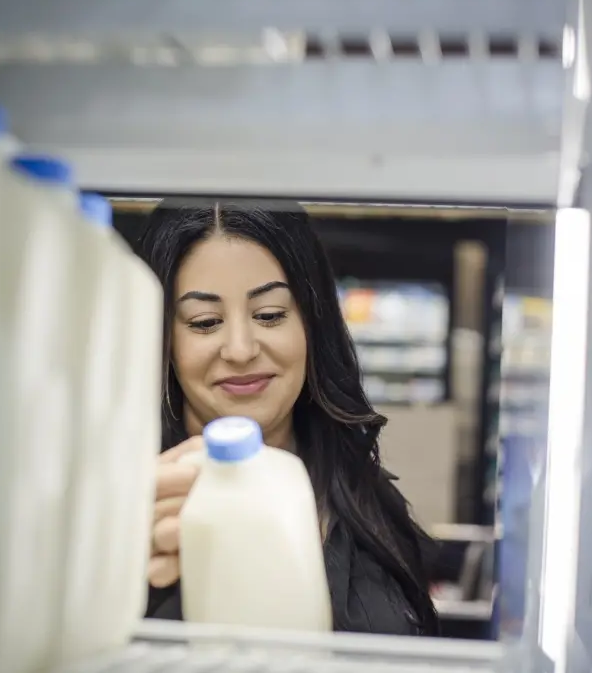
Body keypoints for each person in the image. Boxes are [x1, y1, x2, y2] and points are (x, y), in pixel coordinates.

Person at [135, 199, 441, 637]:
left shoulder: (360, 495)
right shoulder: (135, 503)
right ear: (163, 339)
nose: (240, 350)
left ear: (311, 325)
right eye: (204, 322)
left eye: (269, 315)